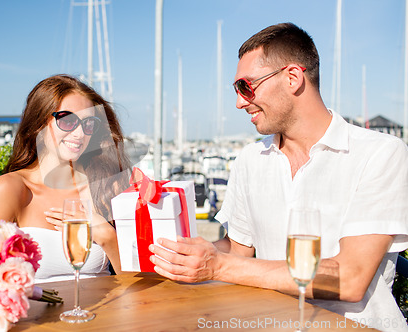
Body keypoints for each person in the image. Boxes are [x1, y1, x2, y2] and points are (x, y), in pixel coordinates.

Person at [149, 23, 408, 331]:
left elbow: (349, 278)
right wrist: (170, 249)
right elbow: (236, 248)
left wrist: (219, 266)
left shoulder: (380, 153)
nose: (239, 102)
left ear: (293, 78)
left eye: (245, 86)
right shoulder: (249, 159)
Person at [0, 74, 131, 282]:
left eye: (89, 123)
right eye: (68, 120)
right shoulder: (10, 189)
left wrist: (106, 236)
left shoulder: (107, 184)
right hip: (39, 314)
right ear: (39, 124)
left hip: (103, 313)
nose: (80, 133)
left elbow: (136, 284)